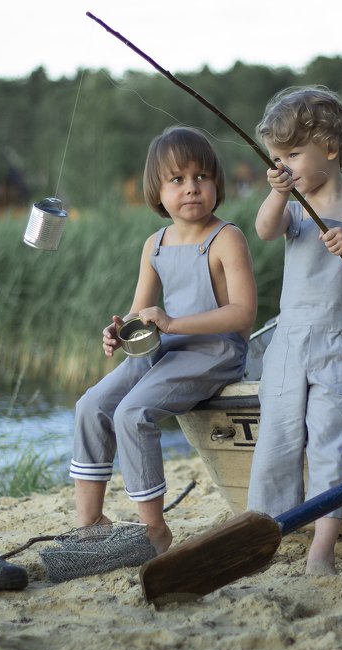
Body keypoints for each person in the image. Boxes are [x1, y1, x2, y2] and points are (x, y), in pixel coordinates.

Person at [71, 126, 258, 555]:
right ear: (157, 190)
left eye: (201, 177)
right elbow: (140, 313)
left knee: (132, 413)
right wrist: (119, 331)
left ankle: (154, 529)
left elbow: (243, 314)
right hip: (165, 349)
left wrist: (172, 323)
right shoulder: (154, 245)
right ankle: (90, 523)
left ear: (216, 184)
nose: (191, 187)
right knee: (91, 405)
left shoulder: (225, 238)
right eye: (177, 179)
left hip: (216, 351)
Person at [246, 86, 342, 575]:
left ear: (330, 148)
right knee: (276, 444)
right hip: (289, 345)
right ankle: (267, 535)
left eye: (291, 155)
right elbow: (264, 230)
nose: (282, 166)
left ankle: (321, 550)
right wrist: (278, 191)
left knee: (331, 446)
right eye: (276, 158)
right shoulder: (292, 207)